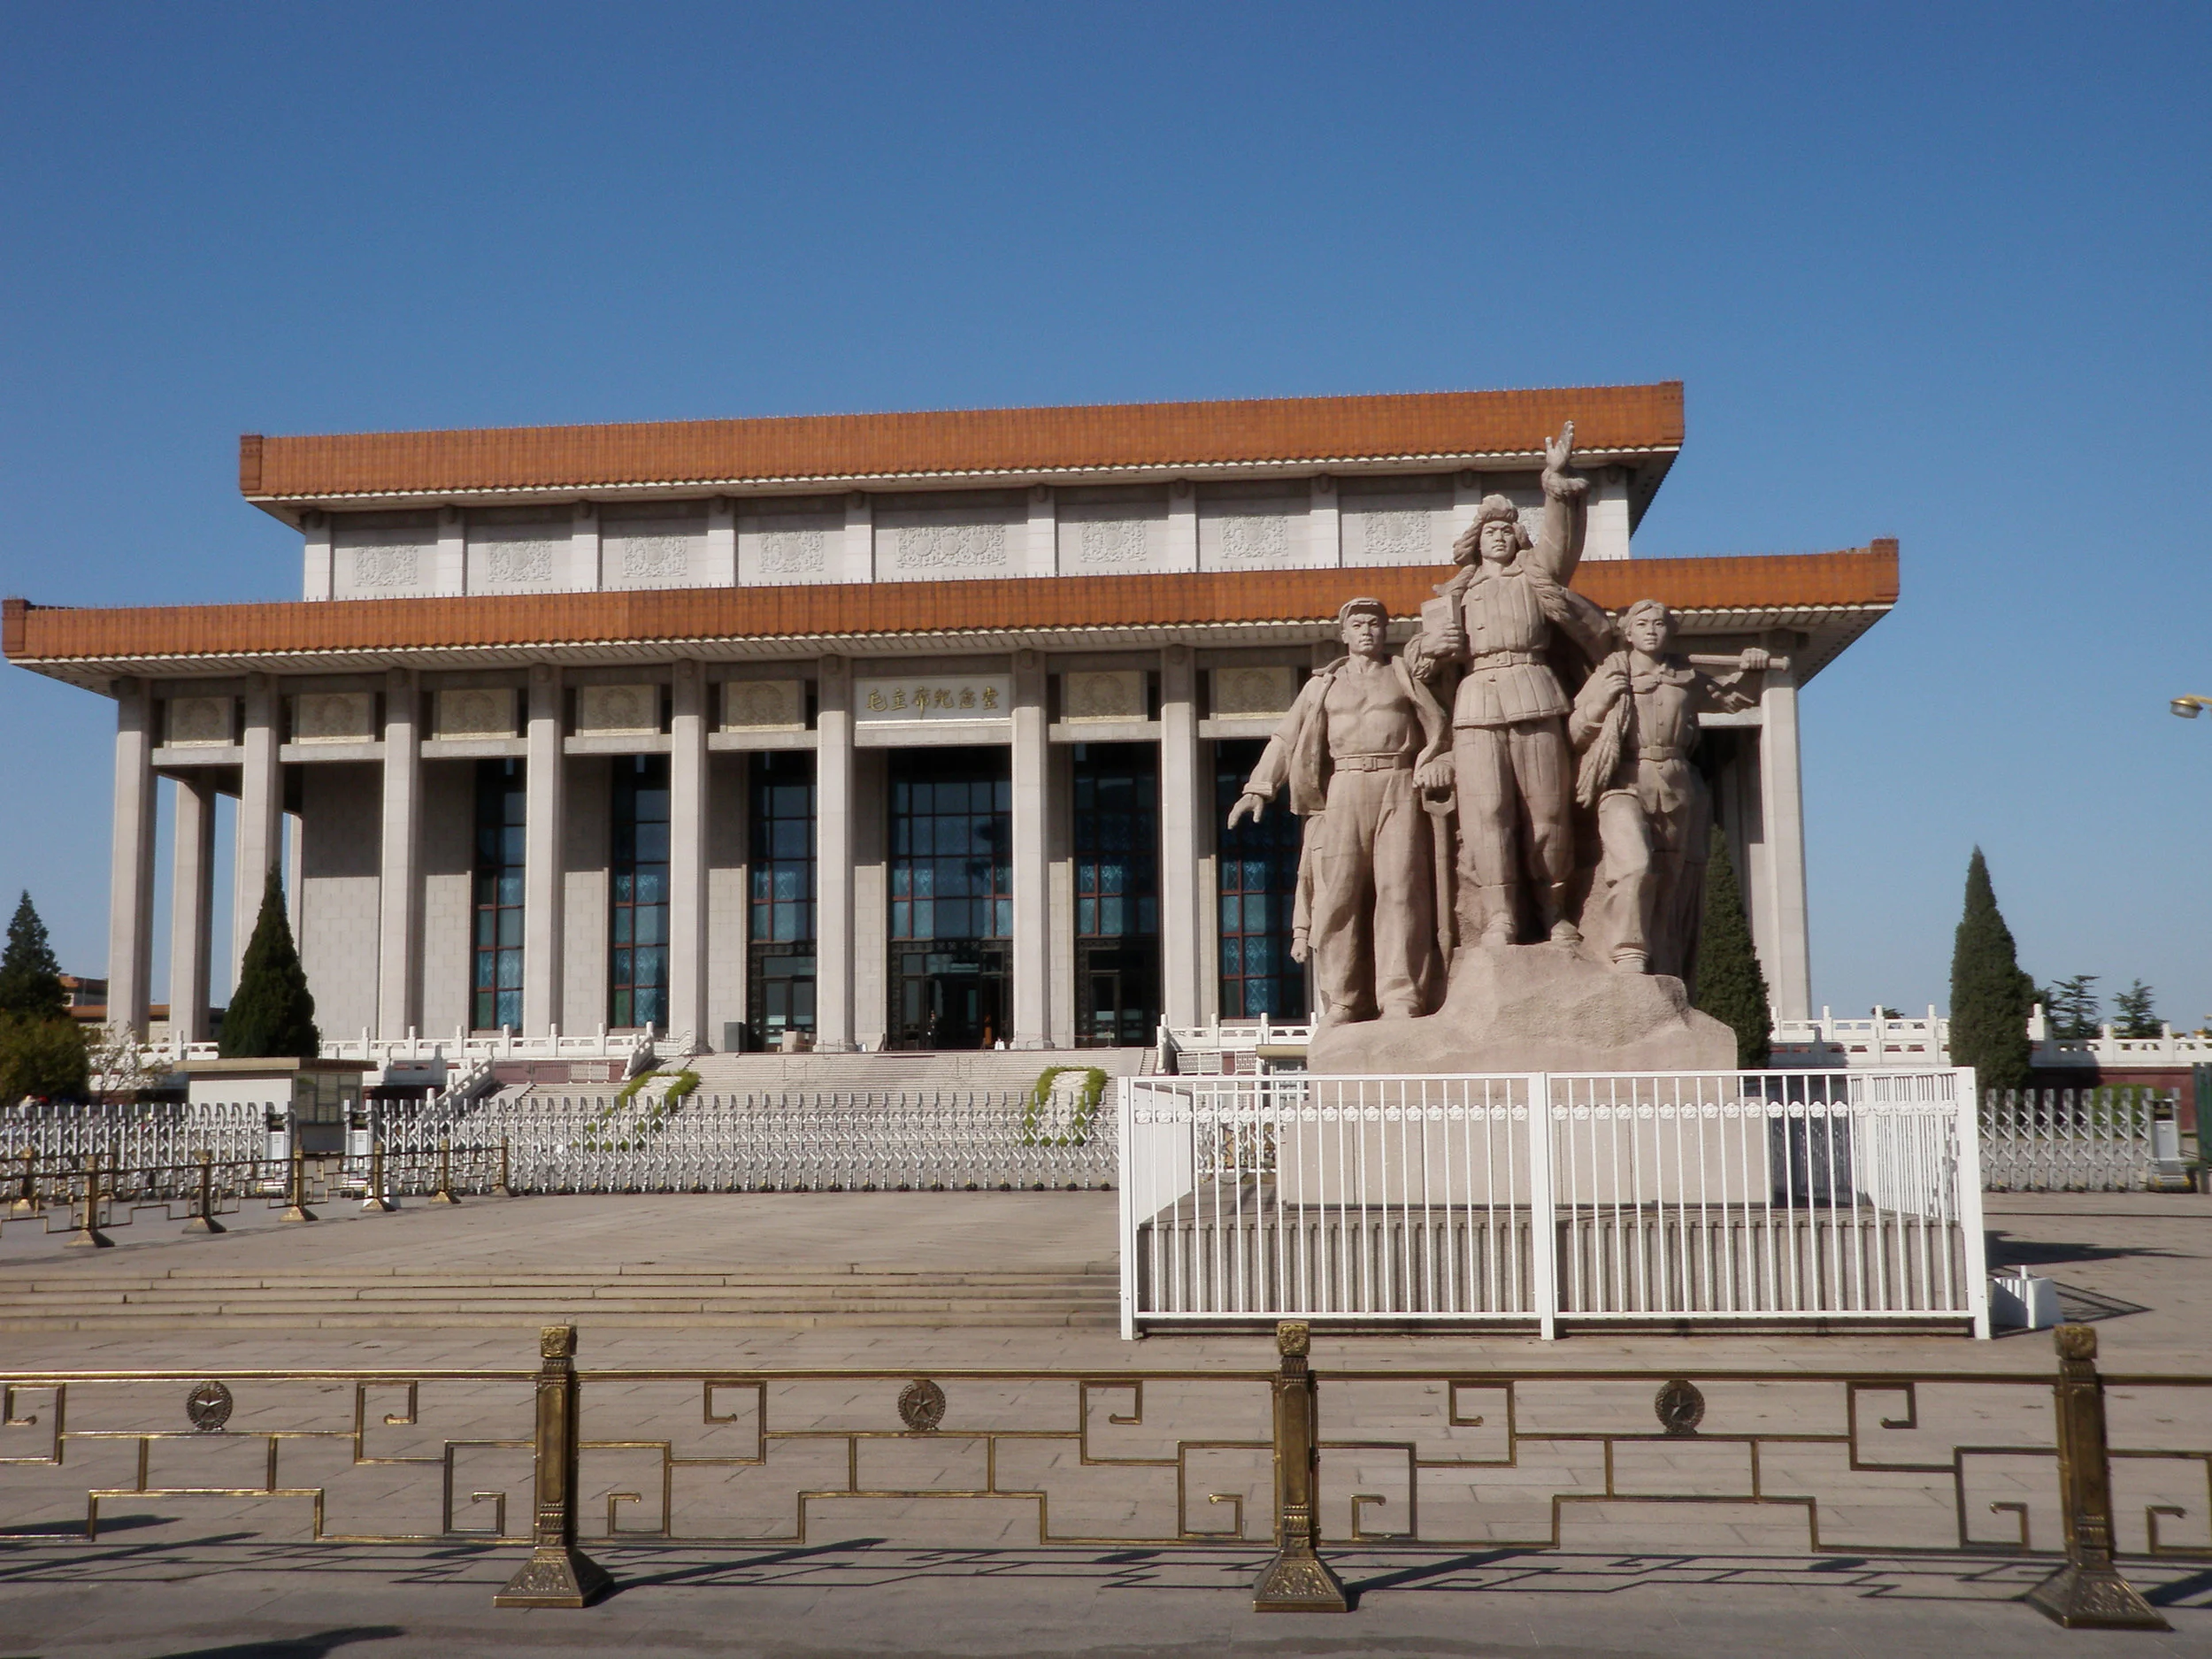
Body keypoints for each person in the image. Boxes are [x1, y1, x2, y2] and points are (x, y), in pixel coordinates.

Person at [1415, 423, 1613, 948]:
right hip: (1477, 704)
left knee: (1547, 812)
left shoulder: (1536, 576)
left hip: (1535, 692)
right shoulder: (1452, 595)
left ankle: (1553, 909)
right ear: (1475, 543)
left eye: (1506, 530)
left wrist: (1555, 479)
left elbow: (1561, 540)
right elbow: (1419, 661)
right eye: (1489, 532)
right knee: (1487, 817)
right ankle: (1500, 915)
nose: (1499, 537)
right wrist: (1430, 654)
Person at [1228, 598, 1449, 1023]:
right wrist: (1259, 787)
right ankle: (1344, 998)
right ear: (1344, 634)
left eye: (1375, 623)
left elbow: (1441, 721)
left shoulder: (1403, 674)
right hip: (1343, 788)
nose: (1367, 630)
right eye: (1358, 624)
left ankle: (1400, 995)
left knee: (1401, 891)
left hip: (1398, 780)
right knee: (1338, 895)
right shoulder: (1322, 686)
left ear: (1385, 632)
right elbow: (1286, 738)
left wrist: (1438, 761)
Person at [1569, 599, 1767, 981]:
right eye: (1641, 624)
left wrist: (1752, 671)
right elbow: (1577, 732)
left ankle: (1663, 963)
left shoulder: (1686, 676)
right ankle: (1627, 950)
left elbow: (1736, 700)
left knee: (1669, 884)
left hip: (1677, 783)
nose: (1651, 630)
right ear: (1627, 633)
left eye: (1659, 623)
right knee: (1635, 864)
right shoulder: (1612, 671)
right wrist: (1603, 701)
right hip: (1624, 779)